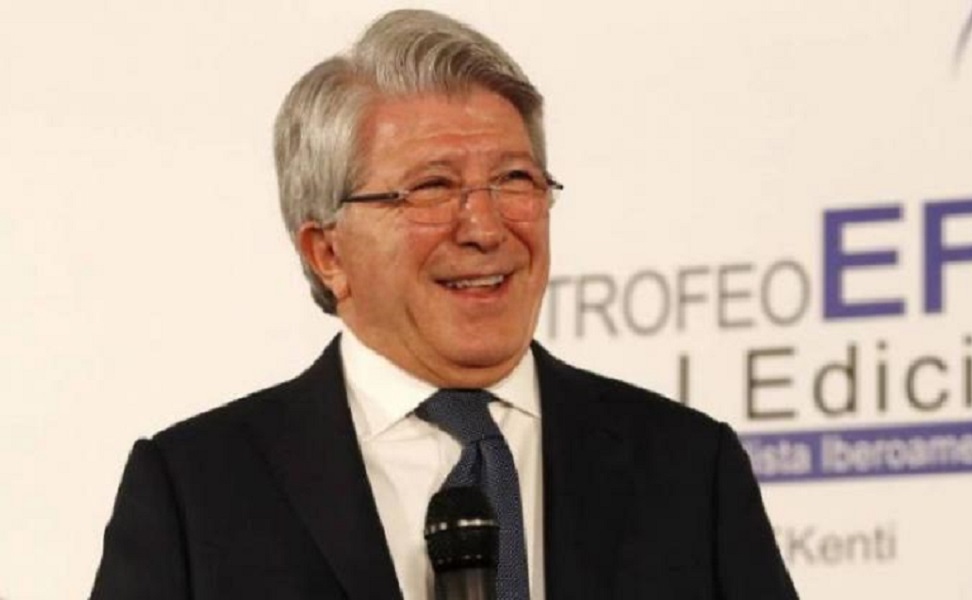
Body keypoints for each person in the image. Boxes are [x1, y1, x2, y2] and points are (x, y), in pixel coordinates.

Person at [91, 9, 797, 600]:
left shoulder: (687, 469)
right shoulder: (195, 494)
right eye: (432, 188)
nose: (486, 228)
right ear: (327, 251)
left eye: (515, 180)